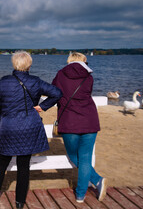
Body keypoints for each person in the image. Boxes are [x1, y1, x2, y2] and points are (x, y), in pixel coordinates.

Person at [0, 51, 62, 208]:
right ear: (29, 64)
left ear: (14, 64)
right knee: (24, 165)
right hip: (29, 127)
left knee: (1, 162)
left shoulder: (4, 81)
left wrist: (3, 120)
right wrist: (41, 107)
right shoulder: (35, 81)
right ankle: (19, 202)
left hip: (9, 127)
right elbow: (57, 93)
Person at [52, 52, 107, 203]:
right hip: (89, 120)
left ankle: (97, 180)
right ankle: (80, 196)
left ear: (69, 60)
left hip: (69, 121)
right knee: (85, 157)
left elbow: (54, 91)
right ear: (83, 61)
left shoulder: (60, 75)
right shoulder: (89, 76)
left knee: (74, 156)